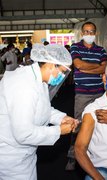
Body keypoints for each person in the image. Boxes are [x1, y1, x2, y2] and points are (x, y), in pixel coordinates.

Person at [0, 44, 79, 180]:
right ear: (50, 64)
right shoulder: (24, 86)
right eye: (62, 71)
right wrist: (59, 130)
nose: (62, 76)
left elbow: (42, 108)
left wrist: (61, 118)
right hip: (11, 156)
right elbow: (23, 134)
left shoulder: (38, 79)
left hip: (24, 154)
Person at [66, 21, 107, 170]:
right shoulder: (75, 47)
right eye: (86, 31)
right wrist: (96, 67)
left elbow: (104, 68)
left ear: (95, 33)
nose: (89, 34)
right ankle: (72, 156)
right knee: (78, 125)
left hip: (99, 93)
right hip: (82, 94)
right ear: (82, 33)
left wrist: (88, 68)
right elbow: (78, 65)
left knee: (99, 124)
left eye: (92, 32)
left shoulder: (101, 50)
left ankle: (95, 155)